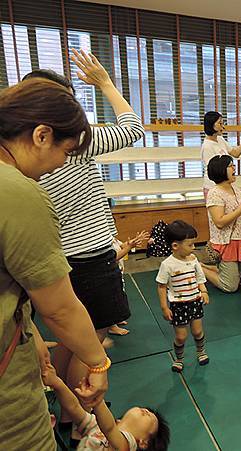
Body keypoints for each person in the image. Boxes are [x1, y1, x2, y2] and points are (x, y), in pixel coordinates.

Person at [27, 50, 145, 422]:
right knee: (89, 342)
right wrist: (105, 83)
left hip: (61, 256)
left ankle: (63, 403)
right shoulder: (72, 140)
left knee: (69, 337)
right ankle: (81, 420)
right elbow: (133, 128)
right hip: (91, 256)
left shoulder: (25, 149)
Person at [0, 78, 109, 450]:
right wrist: (97, 363)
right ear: (42, 135)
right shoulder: (18, 192)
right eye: (65, 151)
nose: (62, 163)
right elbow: (60, 308)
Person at [41, 362, 170, 451]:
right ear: (118, 421)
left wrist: (96, 400)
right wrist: (57, 383)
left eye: (152, 420)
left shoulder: (128, 445)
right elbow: (74, 408)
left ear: (143, 443)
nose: (147, 411)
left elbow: (109, 429)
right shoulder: (96, 426)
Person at [157, 220, 210, 372]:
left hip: (195, 301)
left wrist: (204, 291)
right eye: (190, 245)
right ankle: (179, 358)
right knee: (181, 336)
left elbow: (199, 278)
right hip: (178, 305)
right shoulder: (167, 265)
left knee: (197, 331)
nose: (193, 248)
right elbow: (161, 286)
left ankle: (201, 351)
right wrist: (164, 307)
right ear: (175, 246)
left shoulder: (193, 260)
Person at [202, 155, 241, 293]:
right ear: (221, 170)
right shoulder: (214, 193)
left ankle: (216, 268)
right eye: (230, 166)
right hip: (226, 242)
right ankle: (198, 268)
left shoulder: (236, 189)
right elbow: (219, 222)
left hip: (240, 240)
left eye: (233, 165)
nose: (234, 168)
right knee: (230, 286)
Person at [201, 111, 241, 198]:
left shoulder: (220, 139)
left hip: (224, 186)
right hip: (213, 188)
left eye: (223, 123)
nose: (223, 127)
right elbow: (214, 173)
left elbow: (236, 154)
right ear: (211, 124)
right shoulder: (207, 146)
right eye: (220, 123)